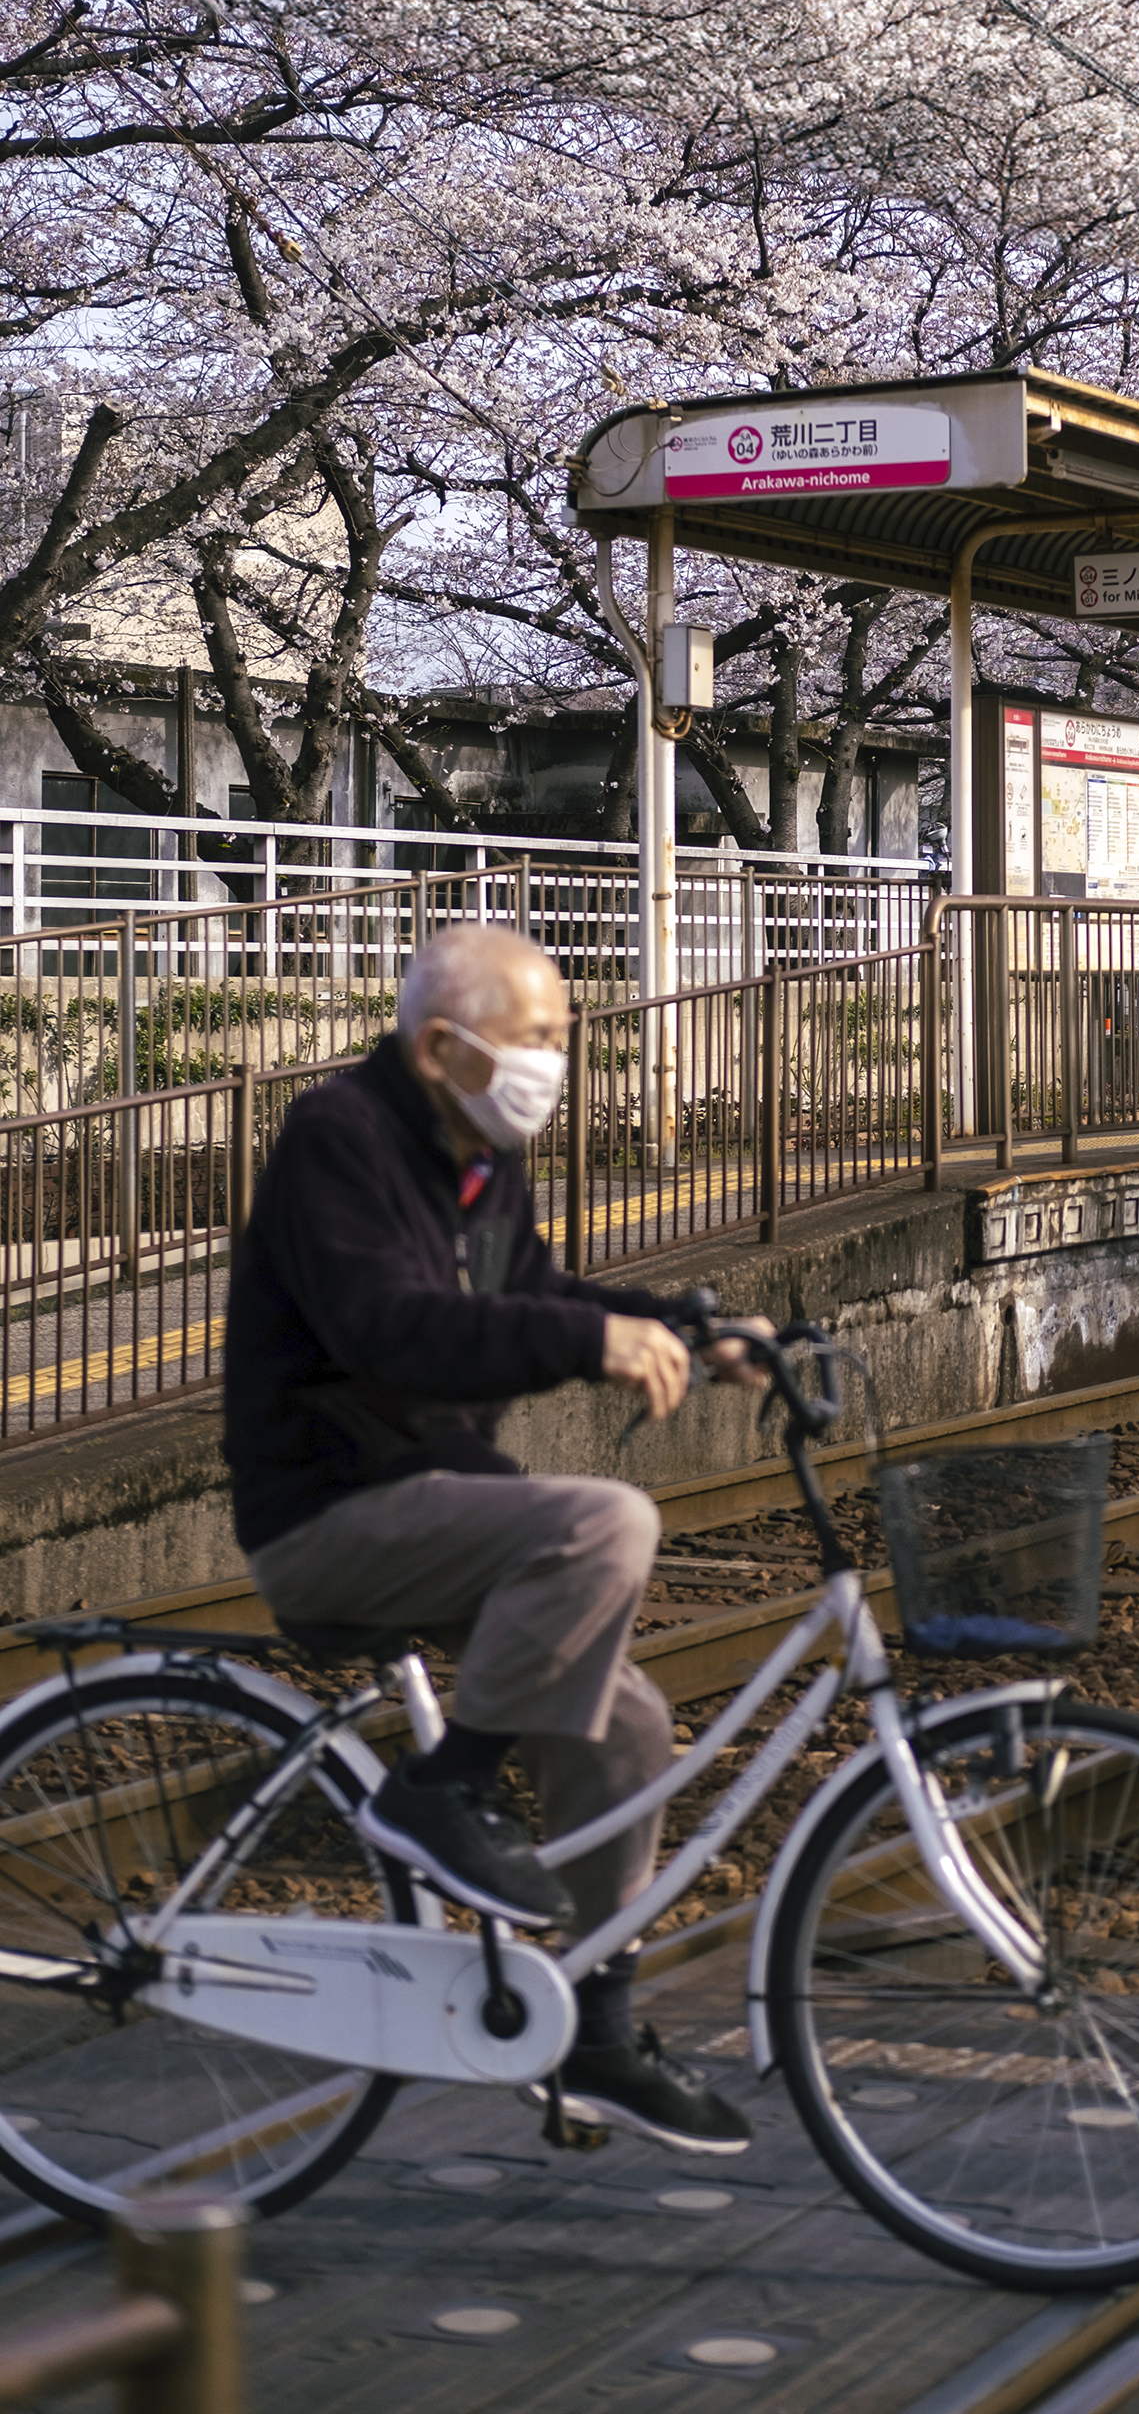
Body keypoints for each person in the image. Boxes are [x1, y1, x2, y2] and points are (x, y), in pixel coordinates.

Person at [223, 922, 770, 2156]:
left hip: (432, 1499)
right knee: (603, 1519)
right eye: (534, 1041)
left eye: (561, 1040)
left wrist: (692, 1328)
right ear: (438, 1047)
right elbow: (393, 1332)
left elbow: (536, 1296)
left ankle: (595, 2034)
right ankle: (439, 1791)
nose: (554, 1065)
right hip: (330, 1514)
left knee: (627, 1722)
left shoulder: (479, 1156)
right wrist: (587, 1347)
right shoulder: (339, 1140)